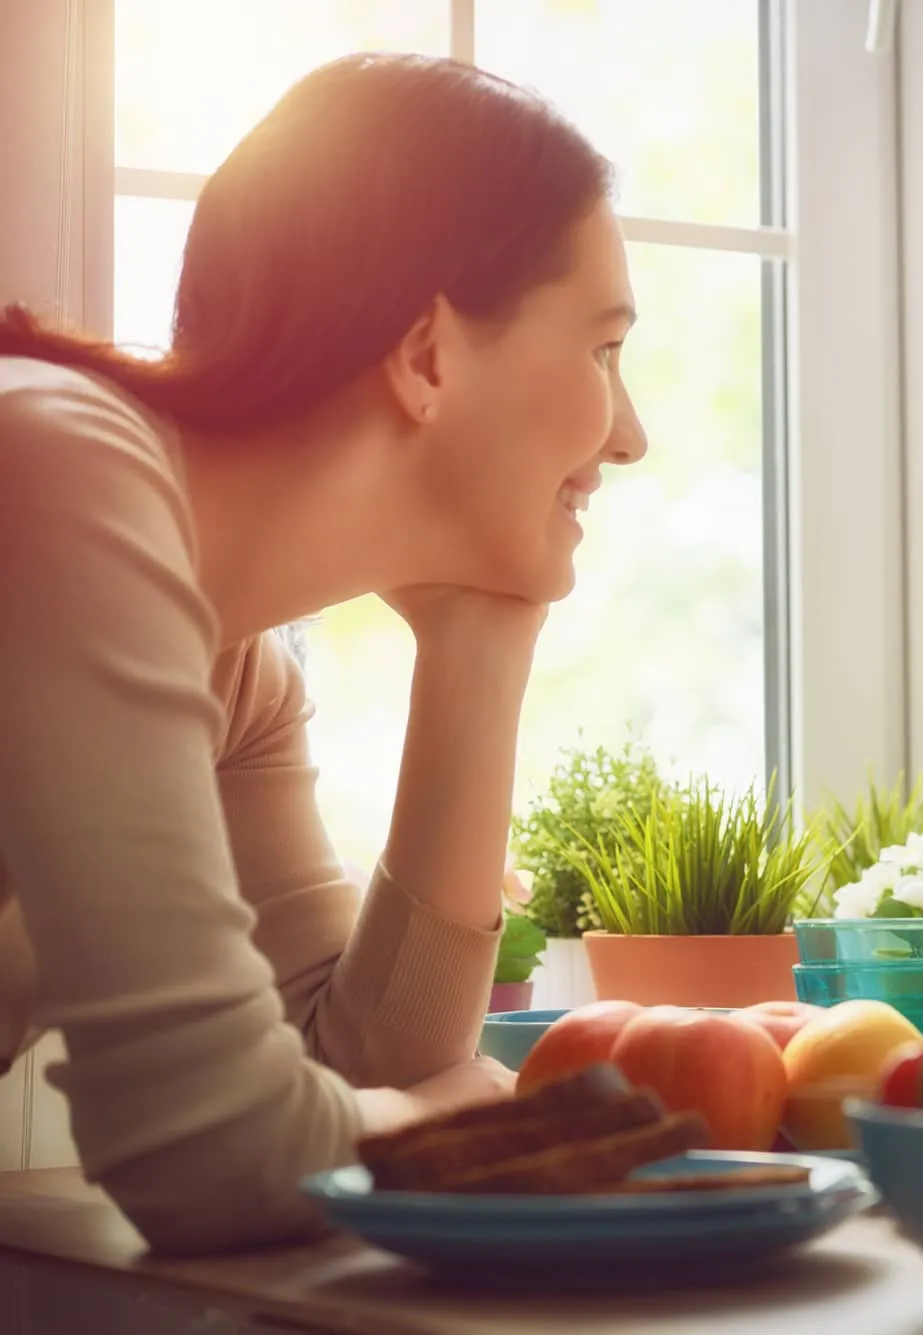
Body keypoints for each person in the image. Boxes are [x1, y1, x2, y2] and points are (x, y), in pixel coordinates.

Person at [0, 53, 646, 1252]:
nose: (631, 436)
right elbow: (220, 1156)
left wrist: (477, 648)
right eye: (603, 351)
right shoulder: (53, 467)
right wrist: (452, 1120)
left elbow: (350, 1072)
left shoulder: (233, 674)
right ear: (427, 355)